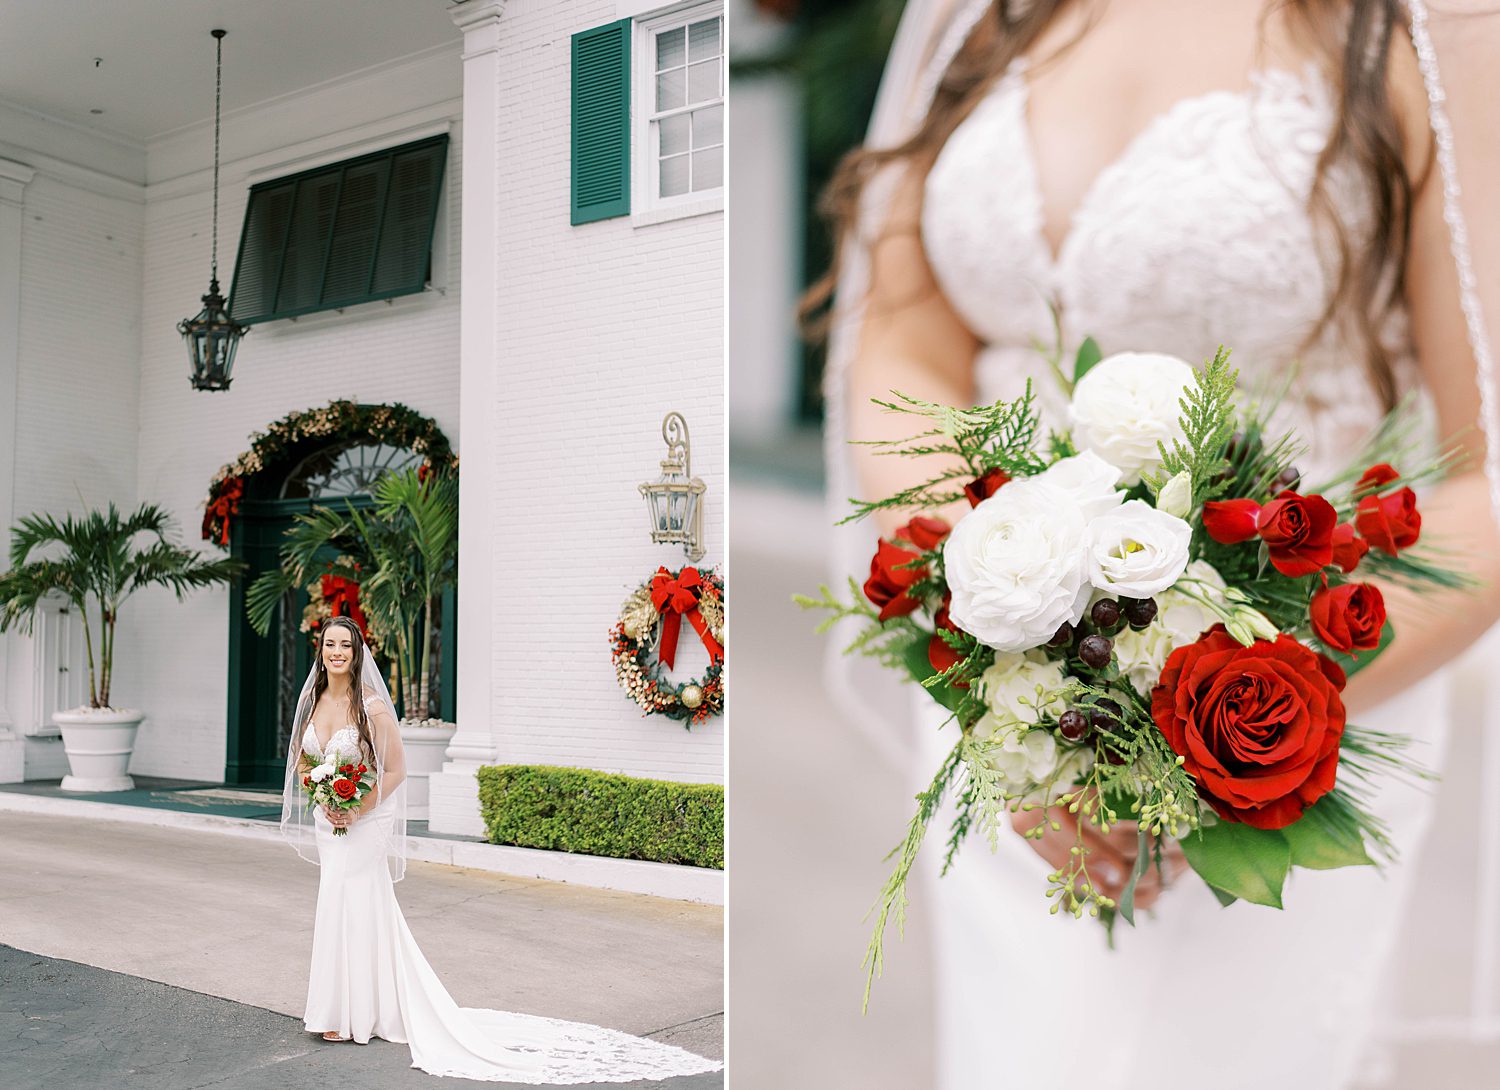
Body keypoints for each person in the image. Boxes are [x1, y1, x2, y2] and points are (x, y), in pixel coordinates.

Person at [816, 0, 1500, 1086]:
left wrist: (1222, 728)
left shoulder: (1429, 26)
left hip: (1287, 724)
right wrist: (1006, 670)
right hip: (1012, 725)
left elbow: (1488, 473)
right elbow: (904, 341)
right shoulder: (980, 15)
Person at [281, 616, 721, 1083]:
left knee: (354, 898)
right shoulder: (312, 701)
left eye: (345, 645)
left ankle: (358, 1014)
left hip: (367, 818)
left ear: (357, 652)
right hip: (329, 819)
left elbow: (395, 771)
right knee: (339, 899)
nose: (337, 652)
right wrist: (324, 795)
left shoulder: (372, 706)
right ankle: (344, 1009)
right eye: (330, 644)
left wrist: (357, 805)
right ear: (321, 649)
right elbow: (305, 761)